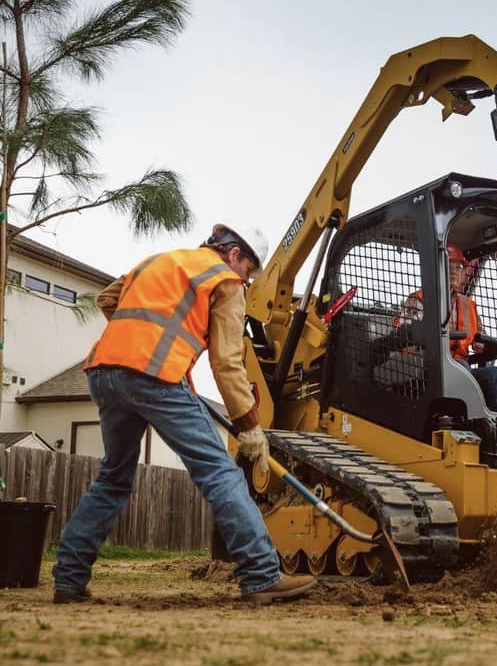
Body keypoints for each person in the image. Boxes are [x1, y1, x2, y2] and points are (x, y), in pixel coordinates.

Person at [52, 223, 317, 606]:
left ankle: (69, 579)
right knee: (220, 472)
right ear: (234, 255)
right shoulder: (225, 282)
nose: (248, 279)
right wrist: (250, 425)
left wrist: (140, 341)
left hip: (104, 371)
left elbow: (108, 299)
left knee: (113, 478)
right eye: (250, 270)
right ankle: (262, 574)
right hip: (153, 377)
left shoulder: (160, 261)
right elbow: (227, 363)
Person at [394, 243, 497, 414]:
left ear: (463, 273)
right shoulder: (419, 300)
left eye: (459, 266)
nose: (455, 270)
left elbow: (480, 341)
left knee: (495, 375)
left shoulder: (468, 305)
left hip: (460, 371)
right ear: (437, 269)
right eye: (449, 264)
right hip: (427, 372)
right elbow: (403, 337)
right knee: (463, 370)